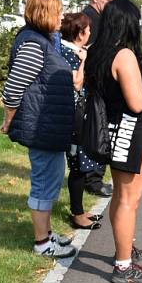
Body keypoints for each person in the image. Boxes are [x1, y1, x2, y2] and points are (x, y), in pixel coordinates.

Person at [86, 0, 142, 283]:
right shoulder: (124, 56)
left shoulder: (96, 52)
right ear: (128, 23)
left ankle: (124, 248)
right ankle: (123, 265)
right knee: (129, 200)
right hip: (132, 132)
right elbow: (136, 102)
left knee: (121, 196)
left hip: (113, 131)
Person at [0, 0, 76, 259]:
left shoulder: (43, 40)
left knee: (51, 178)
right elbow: (14, 87)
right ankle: (42, 243)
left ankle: (47, 232)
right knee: (44, 181)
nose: (62, 16)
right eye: (58, 12)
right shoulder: (33, 44)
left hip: (48, 125)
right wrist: (8, 119)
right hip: (40, 126)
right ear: (45, 15)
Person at [59, 12, 104, 230]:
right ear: (79, 33)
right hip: (73, 115)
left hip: (79, 112)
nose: (89, 33)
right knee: (77, 164)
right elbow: (76, 83)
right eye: (87, 30)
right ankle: (77, 214)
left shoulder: (71, 49)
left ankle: (79, 209)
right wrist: (84, 62)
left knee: (81, 165)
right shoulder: (68, 53)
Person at [81, 0, 117, 197]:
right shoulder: (89, 20)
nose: (112, 4)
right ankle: (93, 179)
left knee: (99, 130)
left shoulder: (99, 18)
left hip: (97, 84)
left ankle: (93, 177)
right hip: (93, 86)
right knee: (97, 131)